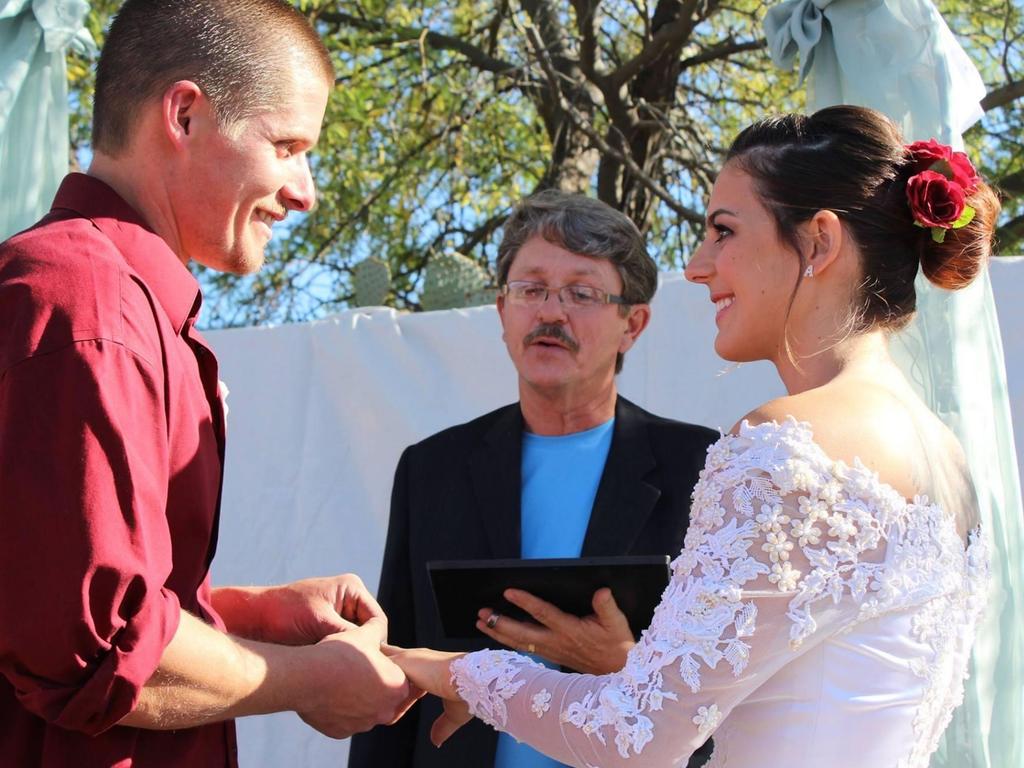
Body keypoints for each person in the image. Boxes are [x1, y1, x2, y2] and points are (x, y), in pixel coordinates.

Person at [385, 105, 998, 767]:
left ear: (818, 242)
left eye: (723, 231)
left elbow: (637, 734)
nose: (700, 265)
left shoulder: (783, 448)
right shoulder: (948, 457)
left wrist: (460, 675)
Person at [0, 2, 415, 765]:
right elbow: (93, 653)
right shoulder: (87, 304)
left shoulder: (119, 304)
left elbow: (49, 599)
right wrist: (311, 680)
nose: (305, 191)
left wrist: (242, 614)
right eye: (288, 145)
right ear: (185, 114)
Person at [348, 191, 718, 768]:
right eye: (532, 289)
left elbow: (733, 688)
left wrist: (625, 666)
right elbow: (393, 665)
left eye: (581, 293)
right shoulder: (432, 469)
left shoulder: (701, 466)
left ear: (633, 324)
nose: (551, 312)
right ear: (501, 312)